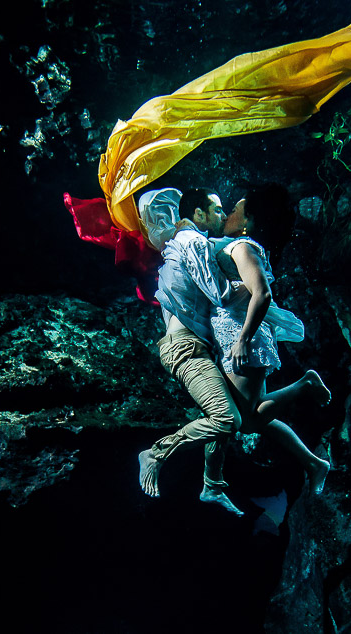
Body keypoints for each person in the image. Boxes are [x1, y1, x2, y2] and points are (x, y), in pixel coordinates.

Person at [208, 183, 332, 494]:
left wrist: (243, 339)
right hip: (236, 338)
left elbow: (262, 294)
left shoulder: (244, 247)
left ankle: (305, 384)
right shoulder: (235, 245)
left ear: (248, 219)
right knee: (252, 416)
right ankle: (314, 463)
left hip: (242, 340)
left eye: (235, 209)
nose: (228, 213)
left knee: (247, 422)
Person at [136, 187, 246, 516]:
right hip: (187, 349)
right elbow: (220, 294)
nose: (223, 216)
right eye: (216, 210)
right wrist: (254, 285)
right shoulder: (192, 241)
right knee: (227, 419)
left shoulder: (180, 244)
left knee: (223, 412)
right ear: (197, 215)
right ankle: (155, 454)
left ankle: (212, 485)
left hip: (188, 345)